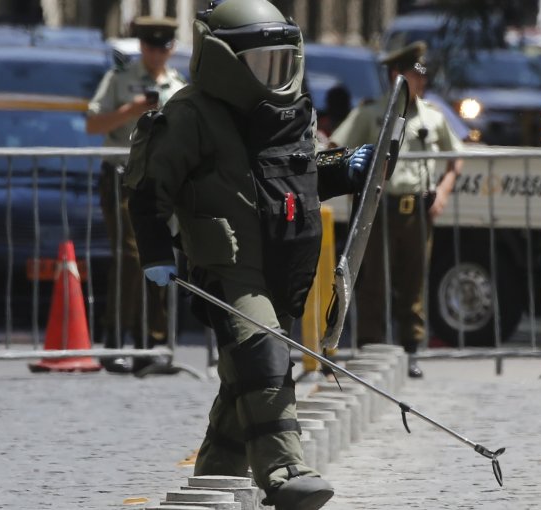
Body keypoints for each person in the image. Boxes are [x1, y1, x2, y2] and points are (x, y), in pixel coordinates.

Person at [123, 1, 374, 508]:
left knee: (245, 379)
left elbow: (296, 179)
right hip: (228, 267)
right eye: (261, 62)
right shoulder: (189, 115)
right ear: (223, 60)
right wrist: (155, 251)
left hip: (284, 264)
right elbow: (147, 190)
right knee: (264, 357)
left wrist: (345, 171)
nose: (273, 75)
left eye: (281, 61)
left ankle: (217, 473)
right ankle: (285, 470)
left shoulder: (288, 112)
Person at [330, 41, 464, 378]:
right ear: (396, 76)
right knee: (372, 280)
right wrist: (352, 181)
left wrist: (443, 192)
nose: (422, 82)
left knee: (412, 282)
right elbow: (337, 147)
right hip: (378, 208)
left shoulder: (433, 117)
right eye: (415, 75)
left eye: (423, 75)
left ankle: (411, 349)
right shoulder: (373, 113)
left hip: (416, 211)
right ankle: (370, 348)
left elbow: (456, 158)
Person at [86, 16, 188, 374]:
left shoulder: (178, 86)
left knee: (160, 255)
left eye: (163, 47)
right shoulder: (119, 80)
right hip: (123, 175)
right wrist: (131, 111)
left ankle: (151, 342)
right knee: (130, 255)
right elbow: (93, 123)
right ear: (141, 46)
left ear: (172, 48)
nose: (157, 53)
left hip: (163, 180)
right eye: (150, 46)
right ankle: (115, 338)